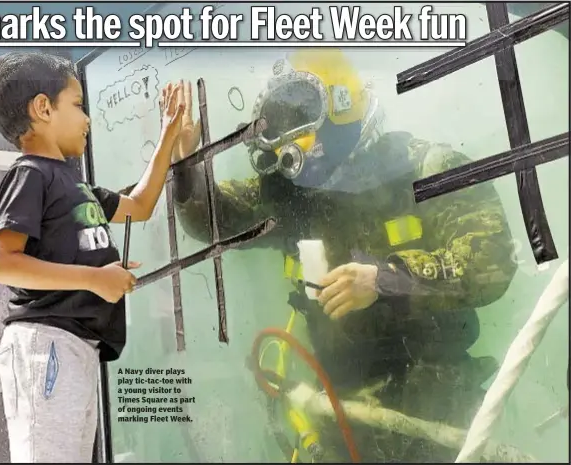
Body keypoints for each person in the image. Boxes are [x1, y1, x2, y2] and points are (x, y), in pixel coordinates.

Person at [171, 49, 518, 462]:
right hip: (343, 418)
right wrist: (185, 164)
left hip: (438, 417)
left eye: (298, 114)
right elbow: (215, 220)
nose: (287, 136)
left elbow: (491, 261)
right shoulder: (292, 199)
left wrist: (385, 280)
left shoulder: (423, 167)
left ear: (339, 105)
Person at [0, 51, 187, 463]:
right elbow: (1, 263)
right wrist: (93, 279)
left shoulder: (76, 185)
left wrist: (168, 134)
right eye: (77, 105)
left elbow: (140, 206)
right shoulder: (30, 175)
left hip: (75, 347)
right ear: (42, 108)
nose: (87, 118)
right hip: (46, 344)